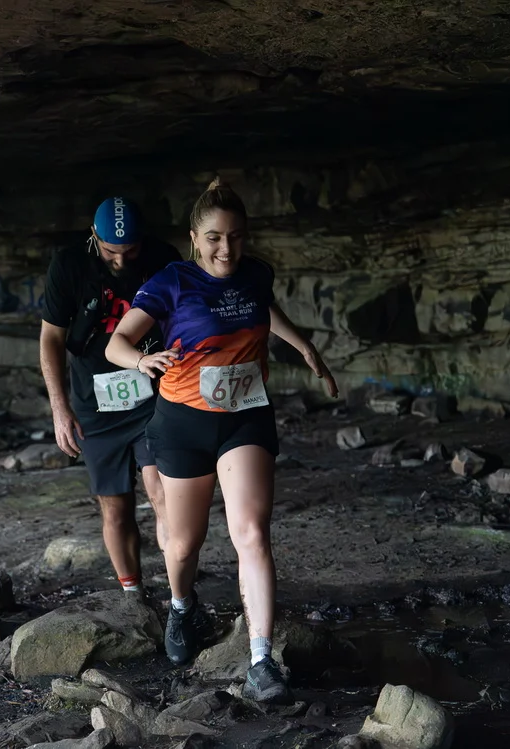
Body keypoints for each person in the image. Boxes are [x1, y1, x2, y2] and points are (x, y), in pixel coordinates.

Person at [105, 178, 338, 703]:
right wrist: (141, 360)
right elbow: (116, 343)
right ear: (194, 238)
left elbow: (261, 307)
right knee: (183, 543)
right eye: (214, 238)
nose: (226, 249)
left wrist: (304, 346)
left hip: (244, 418)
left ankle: (261, 660)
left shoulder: (256, 273)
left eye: (235, 237)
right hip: (183, 424)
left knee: (251, 533)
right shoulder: (172, 282)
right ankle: (181, 606)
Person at [39, 196, 183, 596]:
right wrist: (59, 408)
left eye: (130, 252)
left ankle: (180, 594)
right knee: (115, 506)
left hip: (154, 394)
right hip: (95, 401)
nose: (120, 261)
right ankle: (133, 596)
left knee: (162, 493)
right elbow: (51, 338)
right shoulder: (69, 265)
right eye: (110, 252)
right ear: (94, 237)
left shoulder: (164, 259)